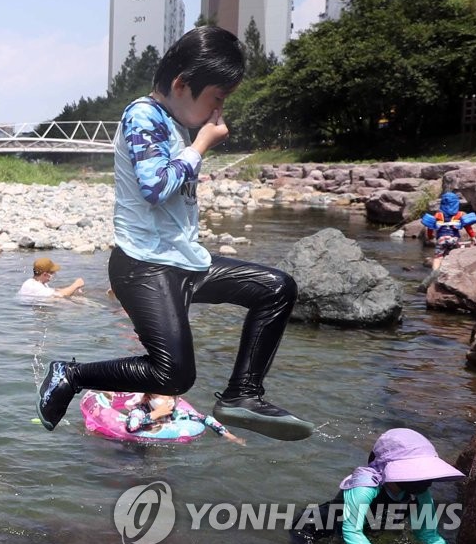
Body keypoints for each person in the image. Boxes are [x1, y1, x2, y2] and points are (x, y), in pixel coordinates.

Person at [35, 26, 313, 441]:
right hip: (143, 266)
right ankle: (71, 374)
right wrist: (201, 146)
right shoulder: (142, 114)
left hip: (183, 261)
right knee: (174, 374)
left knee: (276, 288)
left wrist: (195, 141)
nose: (219, 112)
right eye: (217, 99)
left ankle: (242, 394)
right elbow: (155, 187)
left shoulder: (174, 123)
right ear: (182, 85)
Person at [292, 428, 463, 544]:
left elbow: (427, 534)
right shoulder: (365, 487)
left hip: (368, 528)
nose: (427, 481)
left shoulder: (419, 493)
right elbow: (352, 532)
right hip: (316, 526)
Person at [124, 393, 245, 445]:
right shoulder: (139, 411)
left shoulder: (177, 413)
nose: (170, 402)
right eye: (165, 398)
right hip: (137, 445)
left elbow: (206, 419)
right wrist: (155, 414)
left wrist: (230, 437)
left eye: (174, 397)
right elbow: (132, 426)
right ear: (147, 398)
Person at [425, 191, 476, 270]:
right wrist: (473, 237)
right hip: (454, 239)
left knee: (438, 258)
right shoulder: (460, 214)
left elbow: (430, 227)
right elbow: (468, 227)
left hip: (441, 239)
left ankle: (434, 274)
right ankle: (450, 274)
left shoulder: (438, 215)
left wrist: (430, 236)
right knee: (452, 257)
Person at [17, 257, 84, 299]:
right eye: (52, 272)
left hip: (38, 303)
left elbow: (56, 291)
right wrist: (76, 285)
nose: (54, 274)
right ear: (45, 274)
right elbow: (60, 295)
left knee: (77, 299)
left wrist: (73, 290)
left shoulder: (39, 283)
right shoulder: (34, 286)